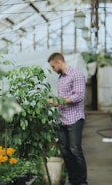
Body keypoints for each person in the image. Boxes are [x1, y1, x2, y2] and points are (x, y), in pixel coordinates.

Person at [47, 52, 88, 185]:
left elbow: (79, 96)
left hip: (74, 119)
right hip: (61, 119)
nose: (53, 69)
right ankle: (73, 180)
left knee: (75, 150)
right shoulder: (61, 78)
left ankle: (82, 181)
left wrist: (58, 102)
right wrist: (51, 101)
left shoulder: (76, 75)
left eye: (53, 66)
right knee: (65, 152)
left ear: (59, 62)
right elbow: (63, 97)